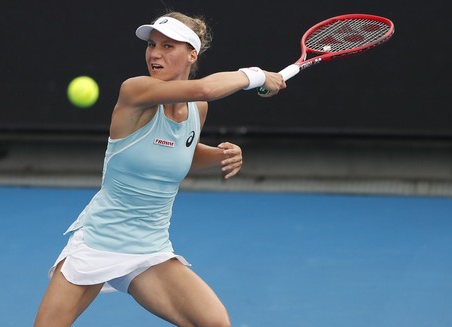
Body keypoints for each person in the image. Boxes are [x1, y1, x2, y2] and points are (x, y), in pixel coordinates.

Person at [34, 11, 285, 327]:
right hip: (100, 242)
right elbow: (205, 89)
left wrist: (221, 155)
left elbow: (184, 153)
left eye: (168, 46)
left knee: (214, 322)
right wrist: (257, 75)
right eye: (152, 45)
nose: (155, 54)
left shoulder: (198, 110)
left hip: (149, 250)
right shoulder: (135, 91)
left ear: (192, 54)